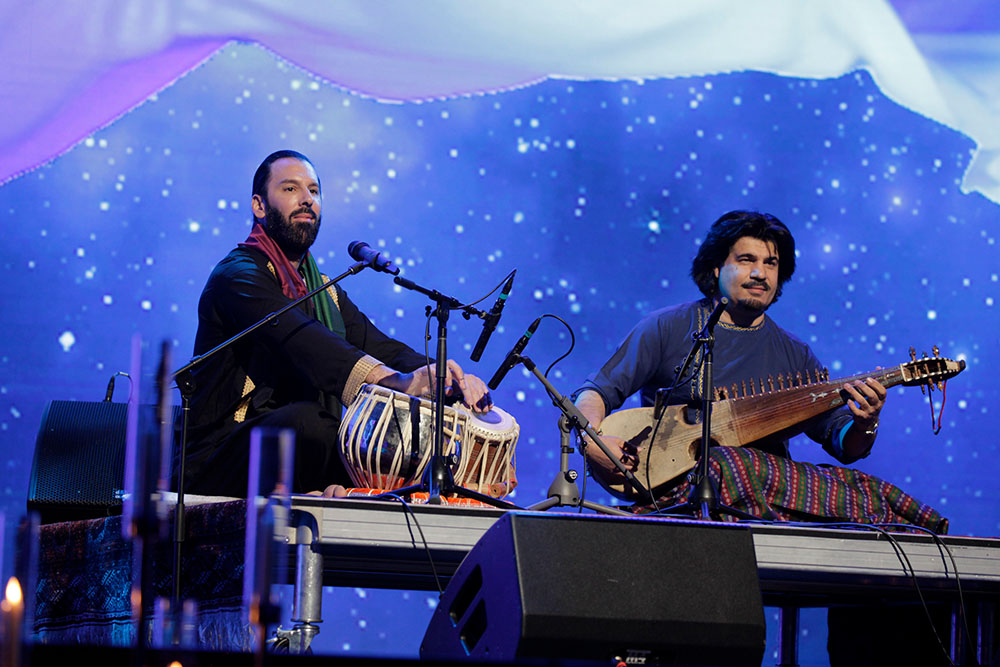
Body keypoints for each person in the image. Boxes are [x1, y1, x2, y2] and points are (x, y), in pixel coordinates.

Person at [574, 210, 951, 666]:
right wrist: (595, 441)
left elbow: (845, 445)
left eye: (771, 263)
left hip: (767, 499)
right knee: (722, 463)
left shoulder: (795, 354)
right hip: (681, 488)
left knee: (876, 499)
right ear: (716, 268)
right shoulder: (669, 328)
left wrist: (866, 420)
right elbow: (595, 392)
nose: (760, 273)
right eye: (747, 260)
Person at [179, 149, 491, 498]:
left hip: (300, 441)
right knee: (309, 424)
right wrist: (395, 381)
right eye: (290, 188)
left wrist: (444, 377)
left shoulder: (324, 291)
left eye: (314, 190)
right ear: (259, 206)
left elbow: (381, 347)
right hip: (220, 458)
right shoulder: (238, 275)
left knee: (369, 441)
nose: (306, 199)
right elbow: (304, 340)